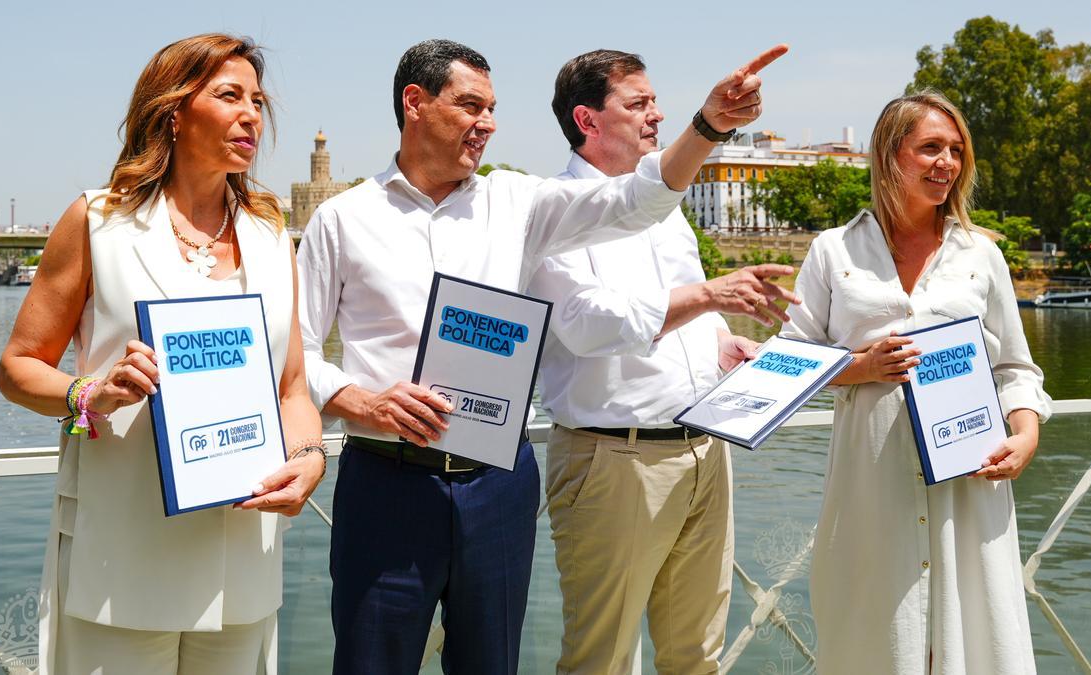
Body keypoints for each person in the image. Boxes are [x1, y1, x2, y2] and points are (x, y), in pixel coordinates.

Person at [296, 38, 787, 675]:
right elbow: (297, 351)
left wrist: (708, 125)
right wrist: (357, 399)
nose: (489, 124)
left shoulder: (518, 203)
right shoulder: (341, 218)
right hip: (386, 480)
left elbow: (638, 199)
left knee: (492, 664)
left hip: (498, 483)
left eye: (493, 108)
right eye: (471, 105)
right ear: (414, 103)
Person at [0, 34, 326, 675]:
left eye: (257, 101)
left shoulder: (269, 234)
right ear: (173, 111)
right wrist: (87, 393)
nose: (251, 114)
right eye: (229, 95)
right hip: (121, 559)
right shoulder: (96, 221)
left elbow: (290, 389)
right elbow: (17, 366)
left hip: (245, 563)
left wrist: (310, 460)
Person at [526, 49, 799, 674]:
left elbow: (682, 317)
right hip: (612, 461)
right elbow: (584, 326)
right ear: (587, 120)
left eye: (656, 102)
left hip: (706, 451)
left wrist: (719, 346)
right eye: (639, 104)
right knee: (602, 659)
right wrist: (709, 295)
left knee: (697, 656)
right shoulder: (551, 209)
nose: (657, 115)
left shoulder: (667, 207)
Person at [780, 90, 1051, 674]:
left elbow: (1015, 369)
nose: (946, 163)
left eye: (956, 150)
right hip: (869, 491)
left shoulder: (982, 254)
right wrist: (859, 366)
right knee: (873, 640)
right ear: (888, 155)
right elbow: (787, 362)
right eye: (930, 147)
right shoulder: (833, 251)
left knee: (976, 640)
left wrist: (1025, 435)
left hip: (969, 486)